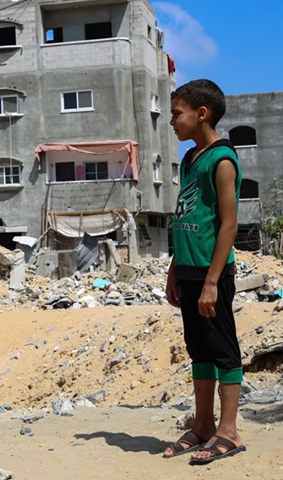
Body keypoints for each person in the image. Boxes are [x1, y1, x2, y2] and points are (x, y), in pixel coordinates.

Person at [163, 79, 246, 464]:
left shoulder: (222, 160)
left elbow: (228, 225)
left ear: (202, 113)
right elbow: (186, 216)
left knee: (223, 350)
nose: (171, 121)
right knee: (199, 351)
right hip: (190, 271)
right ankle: (203, 426)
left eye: (176, 114)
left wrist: (213, 281)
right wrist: (174, 269)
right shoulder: (189, 158)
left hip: (213, 276)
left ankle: (229, 432)